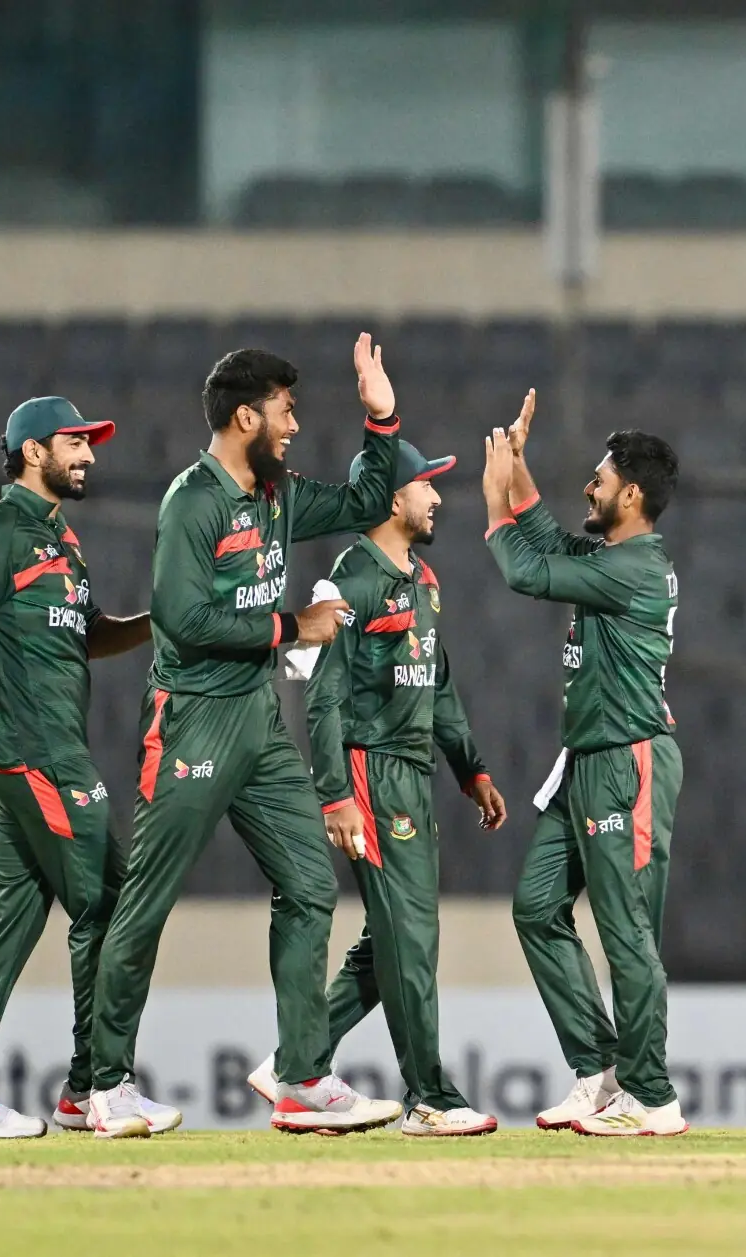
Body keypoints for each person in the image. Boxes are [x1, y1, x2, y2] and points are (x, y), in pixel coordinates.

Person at [82, 335, 407, 1137]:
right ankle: (104, 1085)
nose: (295, 423)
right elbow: (183, 620)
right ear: (243, 415)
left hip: (256, 721)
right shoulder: (190, 501)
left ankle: (301, 1075)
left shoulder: (278, 494)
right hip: (191, 715)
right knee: (146, 902)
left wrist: (382, 417)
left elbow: (367, 500)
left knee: (310, 883)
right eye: (286, 410)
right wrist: (291, 624)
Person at [0, 396, 155, 1138]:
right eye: (77, 442)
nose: (90, 455)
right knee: (108, 906)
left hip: (42, 751)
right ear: (33, 450)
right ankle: (95, 1086)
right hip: (34, 752)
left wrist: (158, 622)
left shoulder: (60, 540)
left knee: (13, 921)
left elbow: (90, 634)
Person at [245, 440, 510, 1136]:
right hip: (372, 770)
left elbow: (437, 678)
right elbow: (323, 697)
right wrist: (335, 793)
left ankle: (293, 1060)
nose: (437, 498)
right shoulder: (349, 581)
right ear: (394, 497)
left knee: (392, 937)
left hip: (415, 770)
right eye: (427, 485)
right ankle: (430, 1096)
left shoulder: (422, 579)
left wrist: (471, 766)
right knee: (412, 936)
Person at [481, 391, 687, 1137]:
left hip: (626, 760)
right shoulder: (611, 558)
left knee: (626, 930)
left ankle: (651, 1094)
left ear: (632, 493)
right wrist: (520, 471)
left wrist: (493, 506)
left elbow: (526, 569)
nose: (588, 487)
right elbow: (552, 540)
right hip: (586, 760)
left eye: (599, 478)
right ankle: (600, 1069)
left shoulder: (632, 569)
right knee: (537, 905)